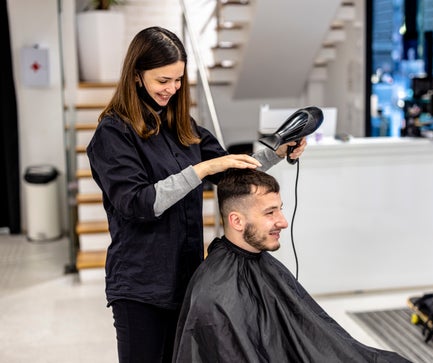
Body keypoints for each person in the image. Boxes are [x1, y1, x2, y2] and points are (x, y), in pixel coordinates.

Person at [86, 26, 306, 363]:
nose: (172, 89)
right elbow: (138, 204)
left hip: (187, 277)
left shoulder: (180, 124)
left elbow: (229, 170)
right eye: (163, 80)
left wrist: (276, 152)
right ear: (136, 76)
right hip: (140, 287)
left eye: (177, 80)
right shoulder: (113, 133)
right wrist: (199, 170)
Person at [172, 169, 411, 363]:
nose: (283, 222)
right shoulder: (216, 293)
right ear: (236, 220)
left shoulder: (260, 262)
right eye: (270, 212)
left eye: (280, 209)